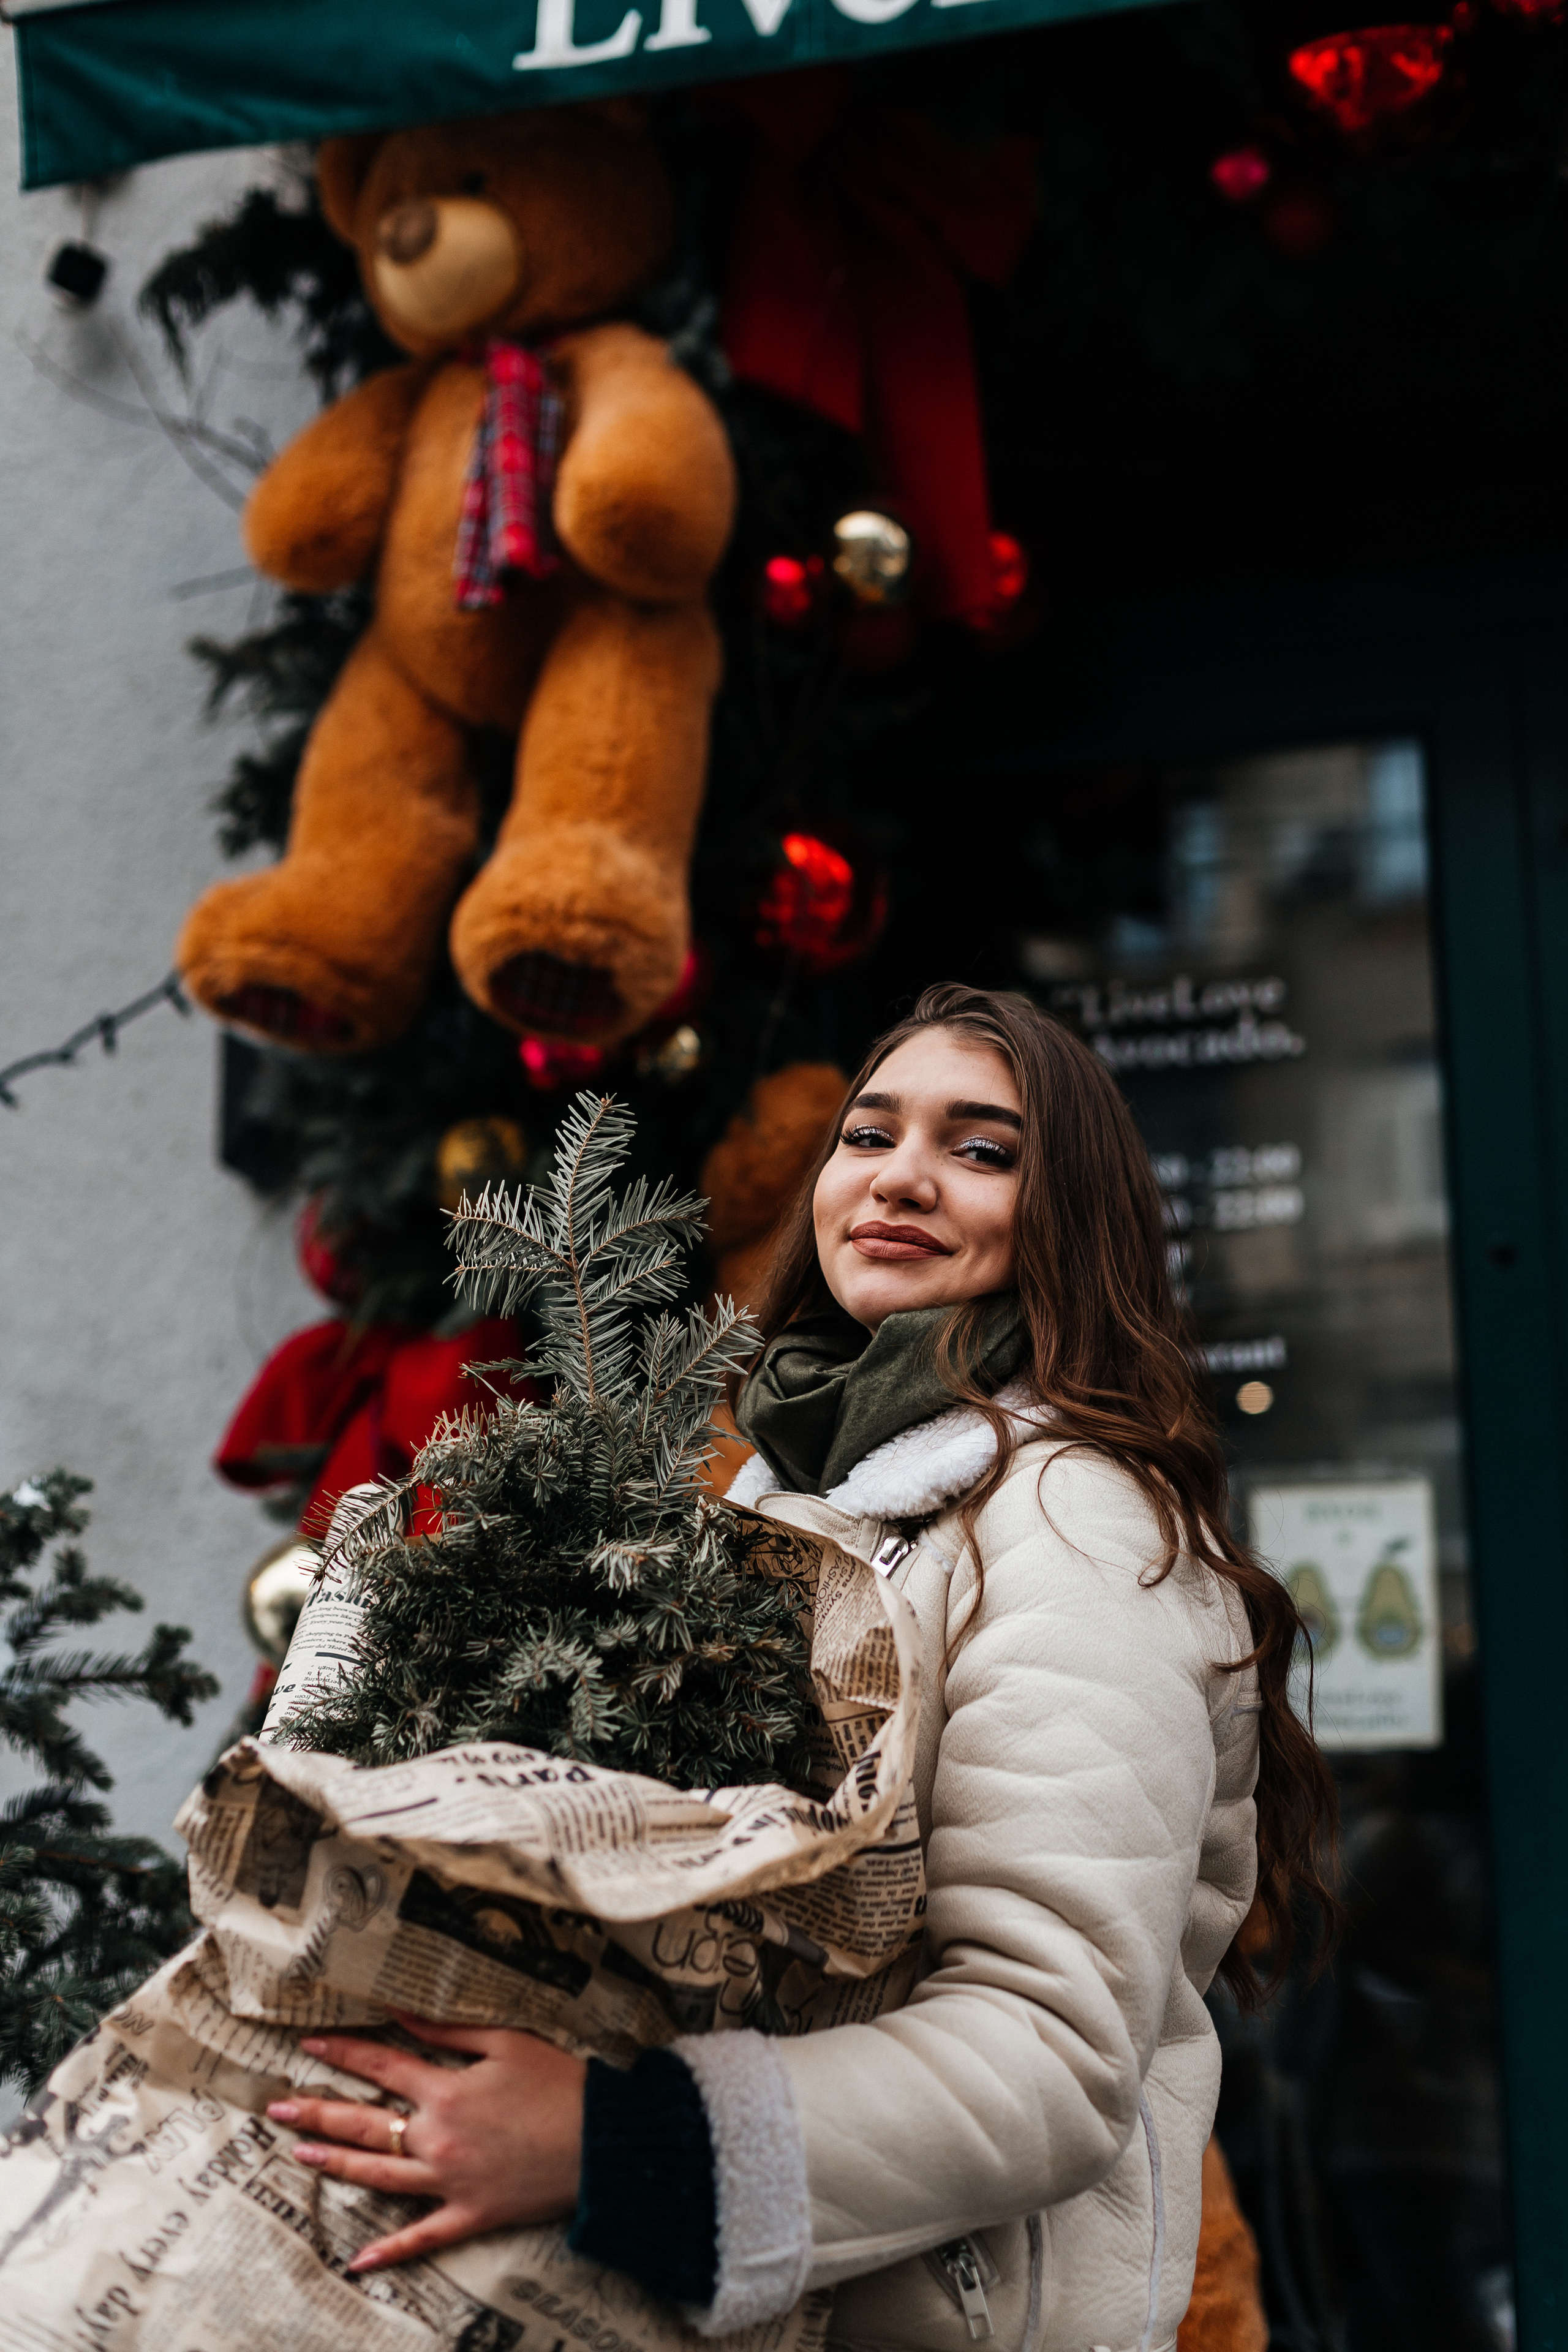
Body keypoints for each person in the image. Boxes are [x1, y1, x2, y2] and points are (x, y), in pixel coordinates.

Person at [266, 982, 1336, 2351]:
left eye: (980, 1149)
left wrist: (609, 2141)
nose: (901, 1176)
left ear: (1071, 1217)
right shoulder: (780, 1494)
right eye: (867, 1134)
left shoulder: (1076, 1522)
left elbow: (1049, 2053)